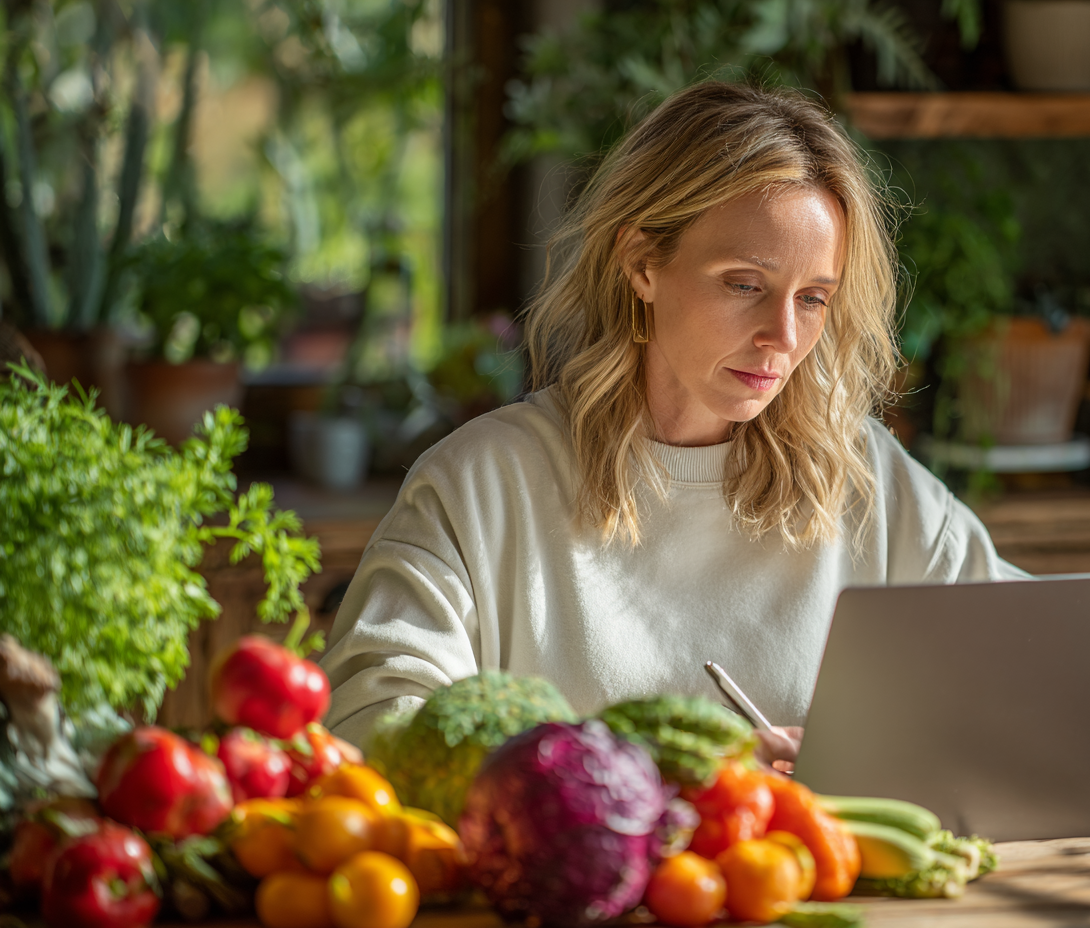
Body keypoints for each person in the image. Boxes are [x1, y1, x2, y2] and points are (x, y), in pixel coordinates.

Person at [319, 81, 1026, 756]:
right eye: (745, 284)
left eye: (813, 298)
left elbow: (1040, 656)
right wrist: (666, 773)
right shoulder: (483, 483)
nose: (783, 335)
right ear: (642, 263)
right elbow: (373, 724)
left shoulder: (861, 475)